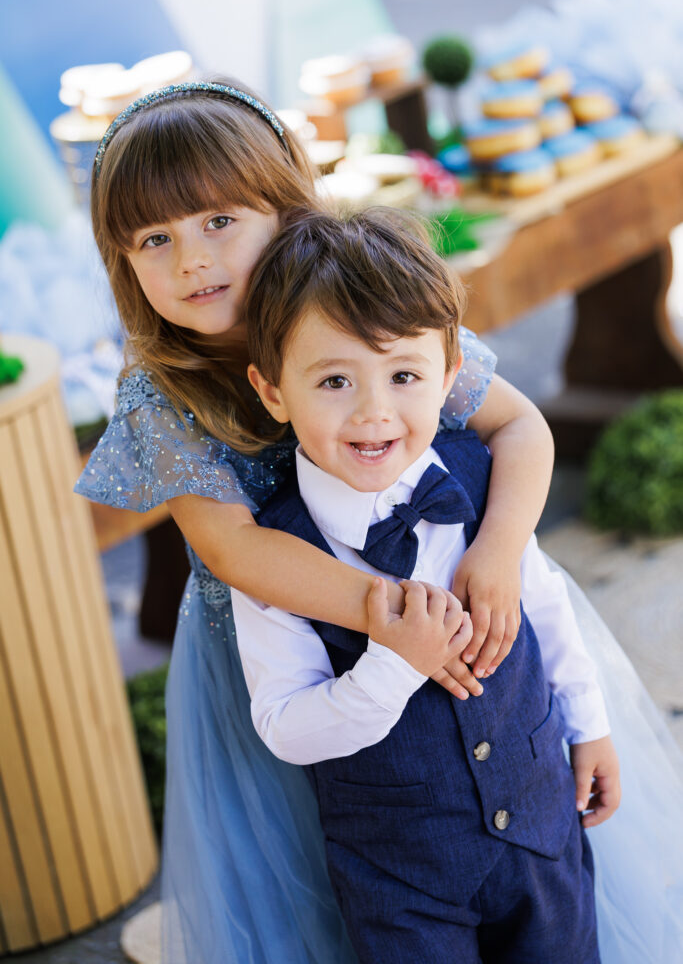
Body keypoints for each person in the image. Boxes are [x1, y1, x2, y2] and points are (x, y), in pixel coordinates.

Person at [76, 79, 563, 964]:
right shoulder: (164, 393)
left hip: (452, 584)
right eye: (155, 239)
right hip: (287, 638)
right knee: (329, 857)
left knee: (498, 810)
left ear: (287, 205)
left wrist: (495, 554)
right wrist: (393, 617)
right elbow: (235, 548)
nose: (192, 260)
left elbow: (519, 426)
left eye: (219, 219)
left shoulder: (364, 309)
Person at [235, 207, 683, 964]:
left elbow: (544, 604)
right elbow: (286, 725)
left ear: (449, 377)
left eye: (404, 376)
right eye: (335, 380)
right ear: (273, 391)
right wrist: (392, 664)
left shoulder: (482, 483)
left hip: (542, 827)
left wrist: (589, 725)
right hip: (400, 881)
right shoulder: (274, 558)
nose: (374, 411)